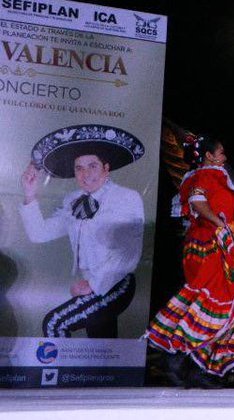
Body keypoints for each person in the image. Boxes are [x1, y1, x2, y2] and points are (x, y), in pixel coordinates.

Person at [146, 134, 234, 386]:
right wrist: (218, 223)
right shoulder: (206, 175)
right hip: (209, 243)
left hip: (216, 243)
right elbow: (196, 200)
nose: (224, 157)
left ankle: (196, 367)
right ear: (209, 155)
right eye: (221, 152)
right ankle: (176, 358)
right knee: (211, 300)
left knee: (219, 303)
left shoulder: (213, 176)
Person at [20, 124, 145, 338]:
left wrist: (93, 285)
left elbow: (128, 254)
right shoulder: (72, 201)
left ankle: (63, 373)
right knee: (101, 345)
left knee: (54, 324)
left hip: (115, 284)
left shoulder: (126, 197)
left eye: (92, 166)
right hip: (90, 283)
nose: (85, 174)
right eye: (79, 167)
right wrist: (30, 195)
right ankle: (100, 372)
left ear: (106, 168)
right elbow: (39, 233)